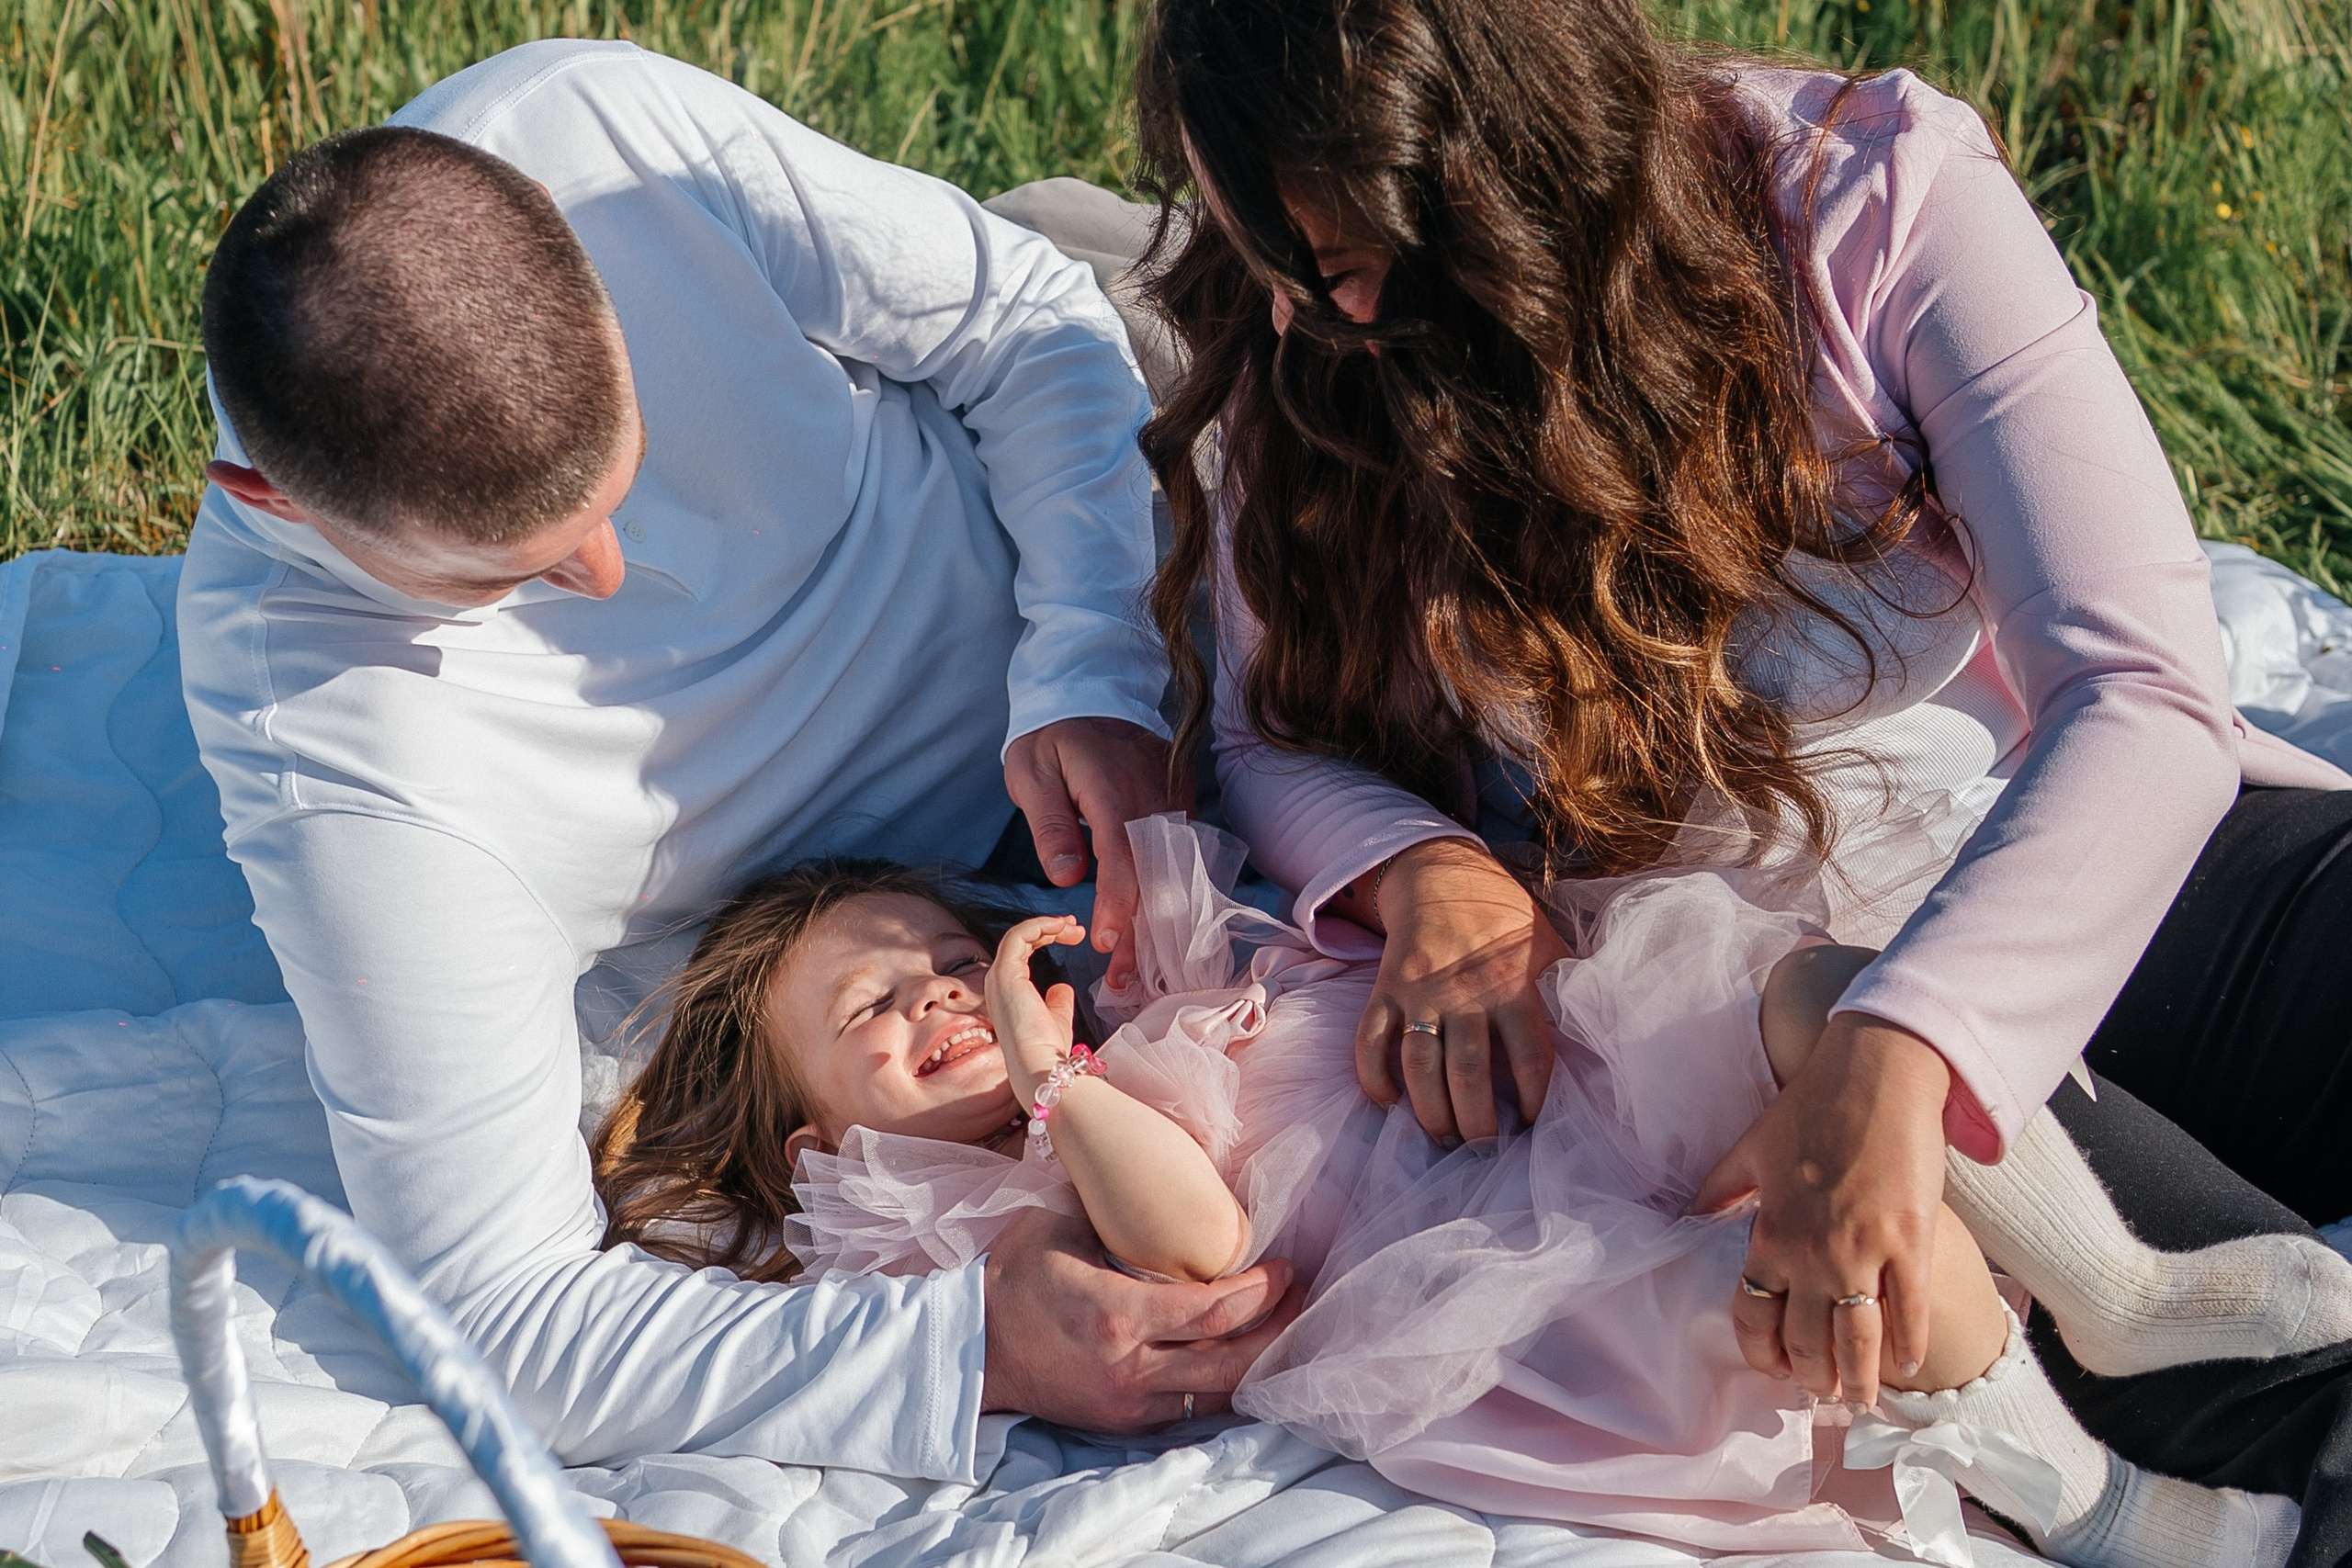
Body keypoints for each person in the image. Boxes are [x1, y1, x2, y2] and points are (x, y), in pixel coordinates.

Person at [1120, 0, 2352, 1531]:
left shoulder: (1873, 205)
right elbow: (1266, 734)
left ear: (1501, 166)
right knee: (2304, 1420)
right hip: (1747, 983)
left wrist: (1909, 1052)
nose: (1302, 312)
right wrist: (1429, 870)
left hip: (2068, 858)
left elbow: (2140, 692)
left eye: (1345, 256)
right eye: (1266, 254)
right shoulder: (1307, 358)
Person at [179, 39, 1298, 1479]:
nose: (612, 568)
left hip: (1118, 554)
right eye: (509, 576)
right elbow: (494, 1304)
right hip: (902, 914)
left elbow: (1021, 321)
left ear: (592, 266)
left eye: (622, 479)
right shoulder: (330, 743)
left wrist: (1088, 663)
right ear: (269, 501)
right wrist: (978, 1348)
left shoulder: (597, 138)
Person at [596, 812, 2350, 1566]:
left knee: (1824, 999)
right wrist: (1053, 1079)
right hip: (1477, 1255)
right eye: (872, 1012)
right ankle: (2093, 1502)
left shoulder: (1159, 986)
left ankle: (2116, 1292)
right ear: (824, 1138)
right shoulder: (1007, 1202)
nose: (931, 996)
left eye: (936, 956)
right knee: (1816, 1274)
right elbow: (1196, 1237)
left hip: (1553, 1084)